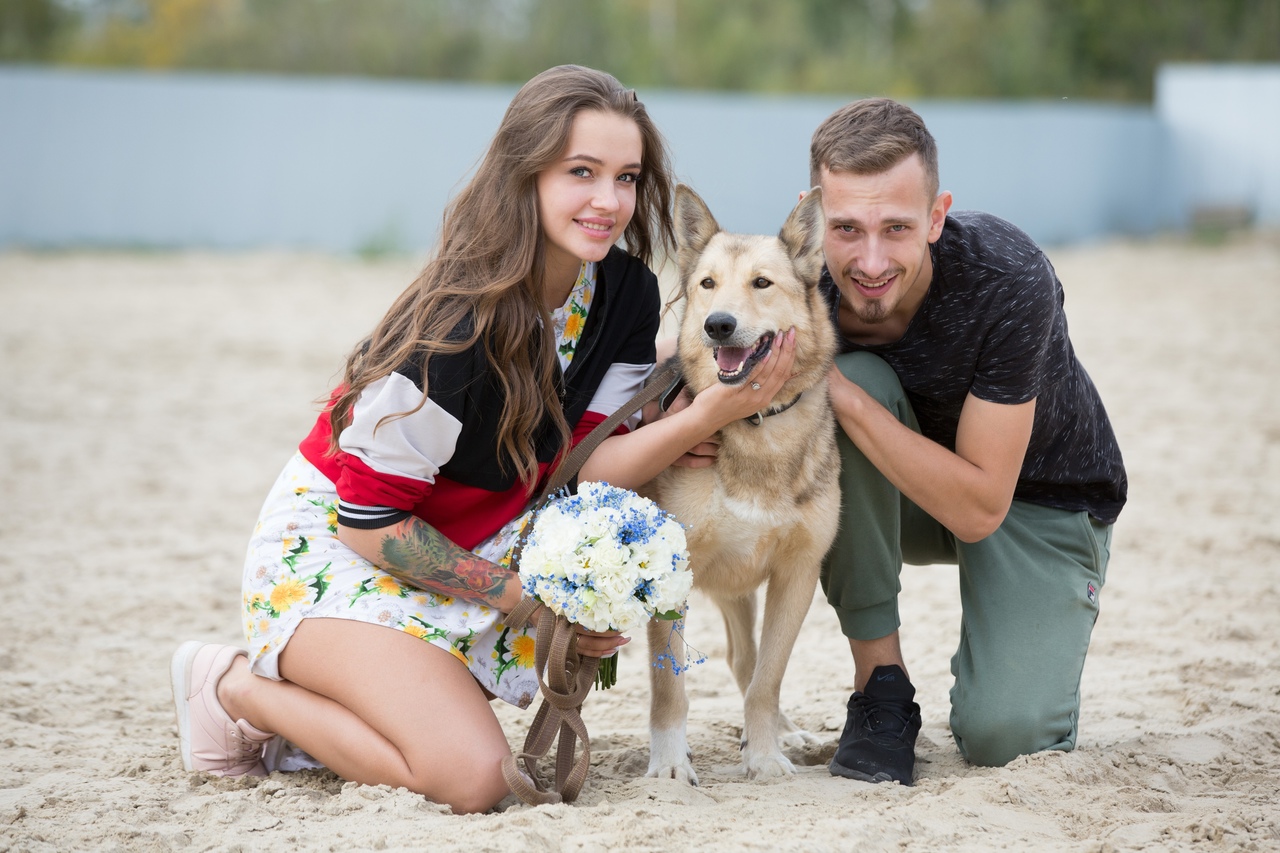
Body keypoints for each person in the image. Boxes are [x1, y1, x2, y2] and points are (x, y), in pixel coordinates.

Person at [168, 65, 797, 815]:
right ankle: (234, 684)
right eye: (581, 173)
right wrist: (529, 601)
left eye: (626, 177)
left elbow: (583, 468)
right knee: (475, 779)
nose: (609, 201)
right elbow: (371, 522)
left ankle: (342, 693)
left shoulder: (625, 290)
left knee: (463, 755)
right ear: (524, 174)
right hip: (343, 551)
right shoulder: (452, 330)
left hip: (470, 536)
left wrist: (701, 418)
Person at [810, 98, 1127, 786]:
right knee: (842, 383)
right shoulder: (793, 277)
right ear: (813, 216)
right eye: (846, 228)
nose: (869, 260)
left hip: (1036, 500)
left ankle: (1007, 641)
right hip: (897, 501)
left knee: (1004, 736)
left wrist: (830, 388)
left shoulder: (1006, 276)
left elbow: (982, 505)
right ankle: (880, 690)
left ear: (935, 214)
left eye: (896, 227)